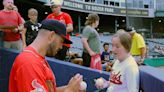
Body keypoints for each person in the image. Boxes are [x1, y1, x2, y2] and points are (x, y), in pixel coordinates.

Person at [9, 19, 83, 92]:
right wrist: (69, 90)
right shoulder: (29, 62)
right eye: (61, 41)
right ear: (51, 35)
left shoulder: (37, 58)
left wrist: (69, 88)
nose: (61, 47)